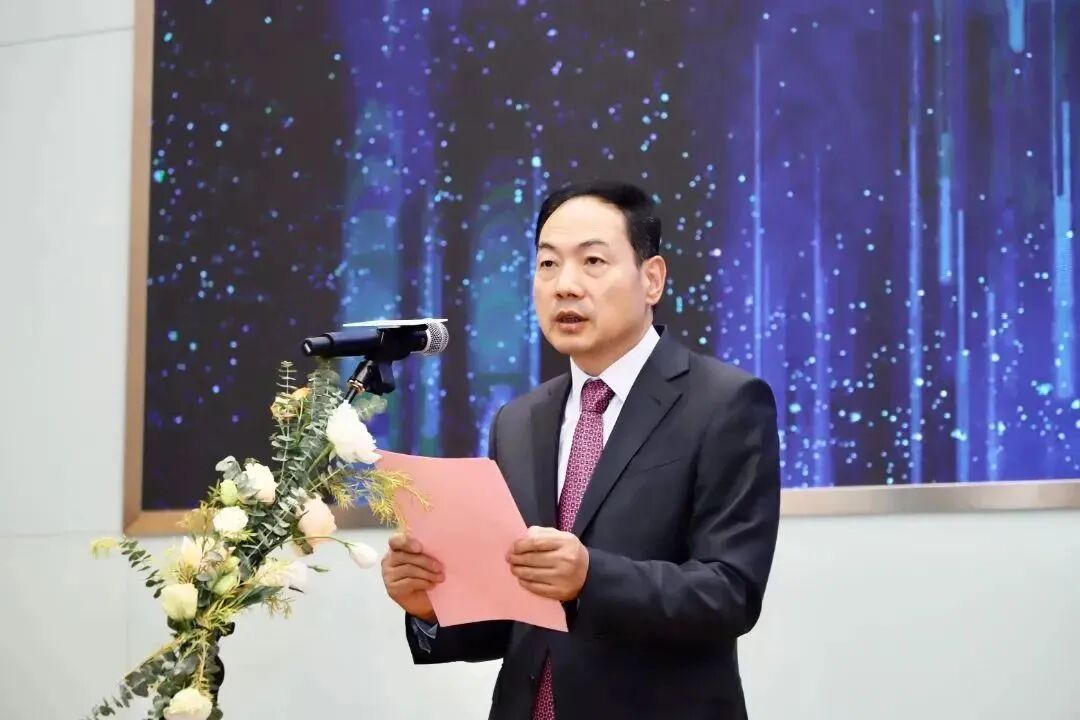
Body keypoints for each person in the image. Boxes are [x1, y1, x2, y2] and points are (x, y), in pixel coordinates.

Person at [380, 180, 781, 720]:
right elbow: (518, 616)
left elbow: (730, 593)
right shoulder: (518, 420)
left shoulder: (725, 403)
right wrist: (431, 606)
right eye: (548, 264)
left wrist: (590, 577)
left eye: (592, 261)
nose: (565, 286)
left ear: (652, 278)